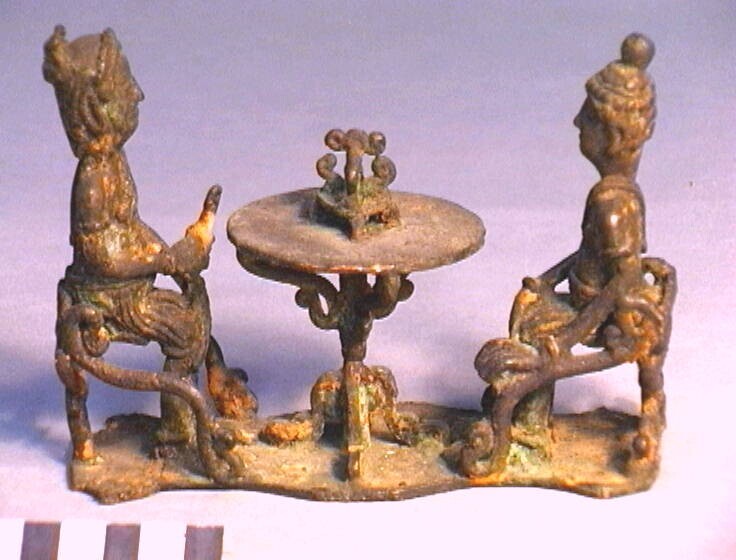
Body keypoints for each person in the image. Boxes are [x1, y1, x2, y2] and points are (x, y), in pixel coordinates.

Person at [45, 26, 255, 459]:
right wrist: (161, 263)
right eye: (126, 85)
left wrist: (172, 258)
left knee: (193, 296)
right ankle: (177, 433)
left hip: (126, 284)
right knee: (185, 331)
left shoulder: (113, 163)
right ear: (96, 108)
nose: (137, 93)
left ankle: (215, 378)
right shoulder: (92, 180)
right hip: (106, 296)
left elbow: (132, 227)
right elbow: (101, 257)